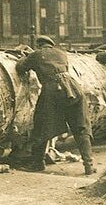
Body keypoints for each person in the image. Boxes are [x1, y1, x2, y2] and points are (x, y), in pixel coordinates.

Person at [15, 35, 96, 175]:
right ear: (51, 45)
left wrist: (26, 56)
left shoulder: (37, 54)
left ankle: (37, 163)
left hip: (53, 90)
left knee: (41, 125)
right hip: (73, 88)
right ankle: (89, 165)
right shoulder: (62, 53)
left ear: (39, 45)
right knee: (81, 127)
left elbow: (20, 67)